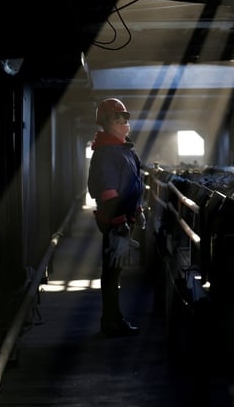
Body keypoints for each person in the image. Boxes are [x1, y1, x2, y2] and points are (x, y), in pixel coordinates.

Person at [87, 97, 146, 338]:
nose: (125, 125)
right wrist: (120, 224)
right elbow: (108, 192)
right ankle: (111, 322)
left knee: (115, 272)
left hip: (123, 219)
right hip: (115, 222)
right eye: (119, 121)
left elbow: (132, 184)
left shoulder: (122, 150)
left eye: (125, 121)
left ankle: (112, 319)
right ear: (108, 125)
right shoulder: (108, 153)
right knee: (112, 273)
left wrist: (138, 210)